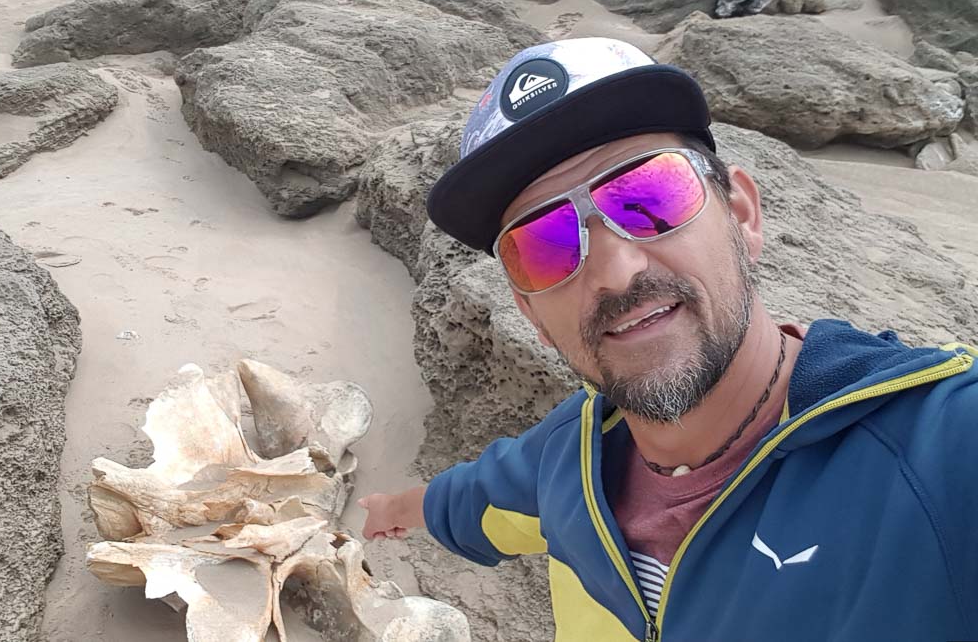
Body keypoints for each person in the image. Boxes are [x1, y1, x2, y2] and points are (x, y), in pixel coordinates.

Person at [357, 38, 978, 642]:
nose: (616, 270)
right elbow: (474, 499)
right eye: (545, 245)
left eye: (647, 197)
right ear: (531, 315)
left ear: (742, 214)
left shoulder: (936, 452)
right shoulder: (570, 459)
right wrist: (391, 510)